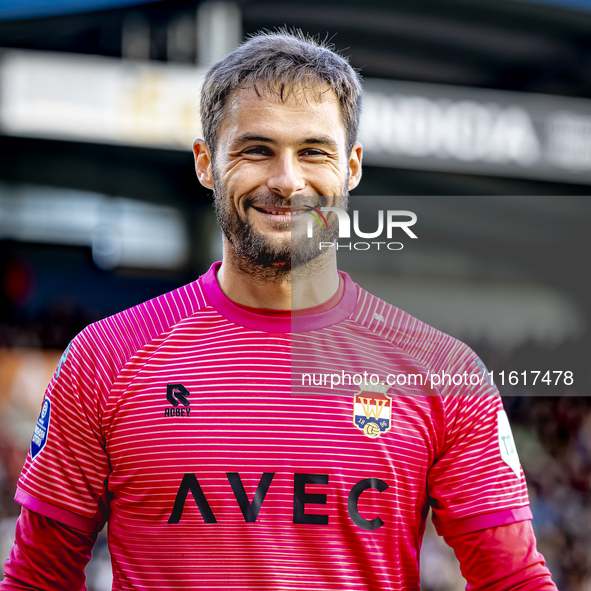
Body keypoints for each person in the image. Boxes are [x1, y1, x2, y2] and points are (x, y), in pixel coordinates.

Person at [2, 31, 557, 591]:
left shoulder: (445, 372)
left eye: (313, 151)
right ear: (205, 163)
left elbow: (513, 580)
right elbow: (36, 577)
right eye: (256, 149)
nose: (287, 181)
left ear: (353, 167)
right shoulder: (104, 359)